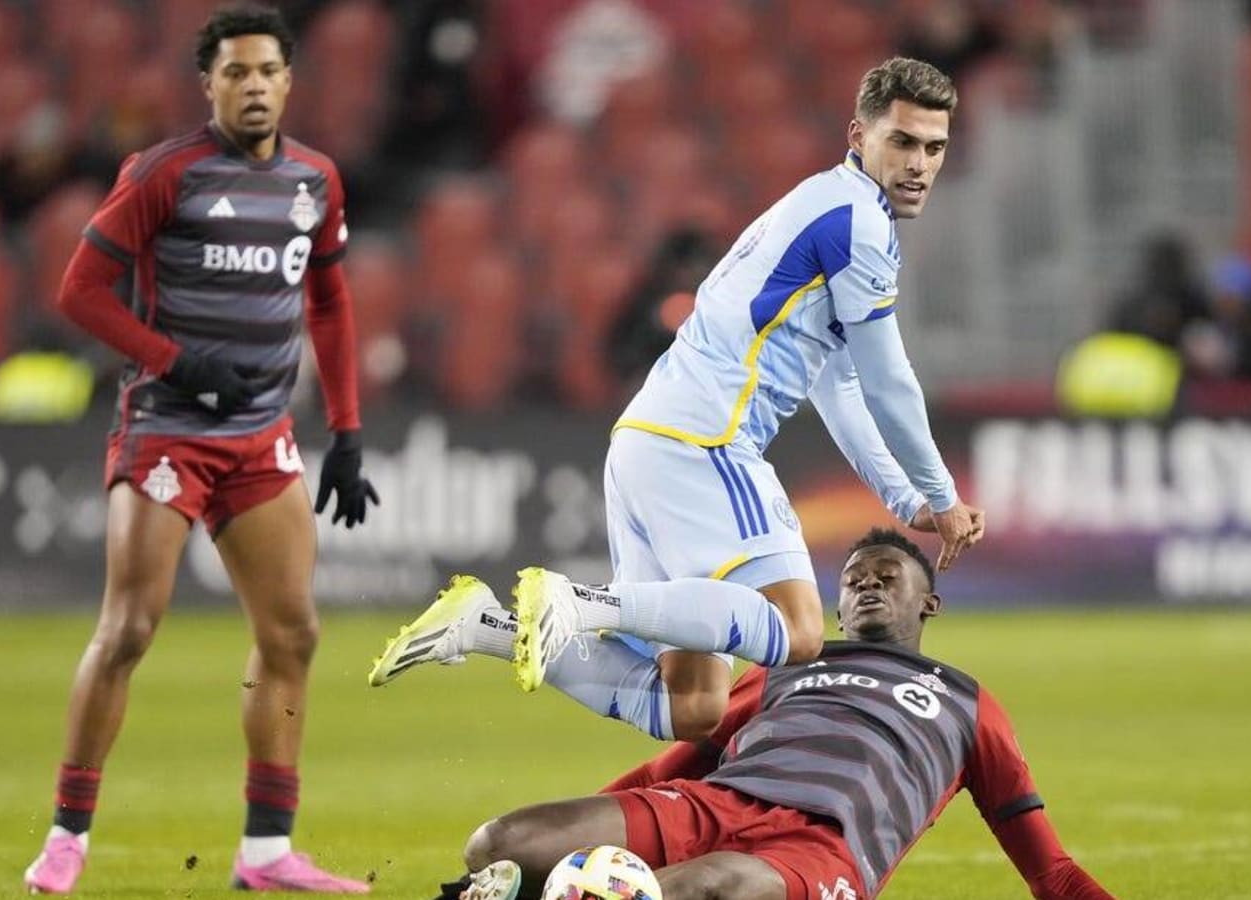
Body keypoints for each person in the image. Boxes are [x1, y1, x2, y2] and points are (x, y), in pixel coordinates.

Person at [369, 58, 984, 746]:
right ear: (858, 135)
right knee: (799, 629)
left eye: (935, 148)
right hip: (706, 444)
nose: (919, 164)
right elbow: (888, 379)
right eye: (902, 142)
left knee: (692, 705)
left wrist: (905, 501)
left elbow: (837, 383)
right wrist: (944, 493)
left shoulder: (819, 205)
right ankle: (580, 601)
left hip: (645, 442)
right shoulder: (858, 222)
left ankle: (488, 626)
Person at [22, 6, 379, 894]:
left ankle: (266, 852)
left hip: (262, 439)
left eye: (267, 71)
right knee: (132, 627)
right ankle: (67, 835)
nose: (253, 85)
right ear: (209, 84)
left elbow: (330, 304)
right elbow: (80, 291)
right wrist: (178, 362)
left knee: (293, 631)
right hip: (167, 430)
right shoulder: (163, 172)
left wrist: (347, 432)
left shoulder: (315, 180)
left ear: (289, 82)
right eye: (235, 73)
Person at [442, 530, 1116, 900]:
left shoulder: (967, 702)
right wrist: (578, 839)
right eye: (854, 579)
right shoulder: (784, 668)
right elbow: (669, 768)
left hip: (821, 851)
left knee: (708, 886)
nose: (867, 585)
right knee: (499, 844)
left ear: (928, 604)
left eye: (886, 576)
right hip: (717, 805)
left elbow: (1049, 871)